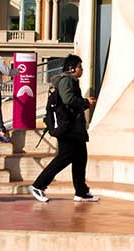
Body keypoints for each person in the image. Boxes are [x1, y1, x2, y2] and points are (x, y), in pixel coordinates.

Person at [29, 56, 97, 202]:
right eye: (80, 66)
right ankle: (38, 185)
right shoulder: (66, 80)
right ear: (72, 68)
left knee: (80, 158)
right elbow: (68, 99)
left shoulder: (71, 81)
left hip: (74, 128)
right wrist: (86, 102)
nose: (82, 69)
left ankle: (81, 192)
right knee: (64, 158)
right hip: (68, 128)